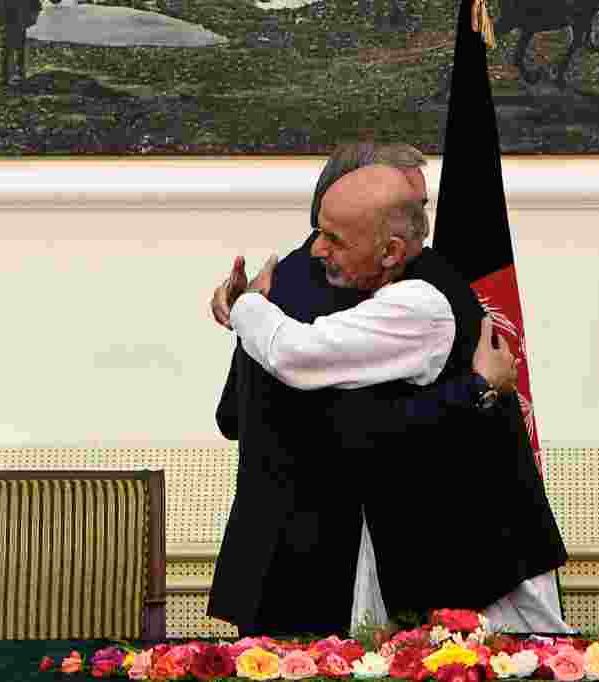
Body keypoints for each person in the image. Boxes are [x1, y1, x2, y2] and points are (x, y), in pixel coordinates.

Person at [224, 163, 570, 633]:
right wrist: (478, 388)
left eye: (333, 238)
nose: (316, 250)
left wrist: (244, 304)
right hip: (434, 567)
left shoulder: (418, 305)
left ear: (390, 251)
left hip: (486, 565)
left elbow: (293, 354)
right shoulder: (364, 290)